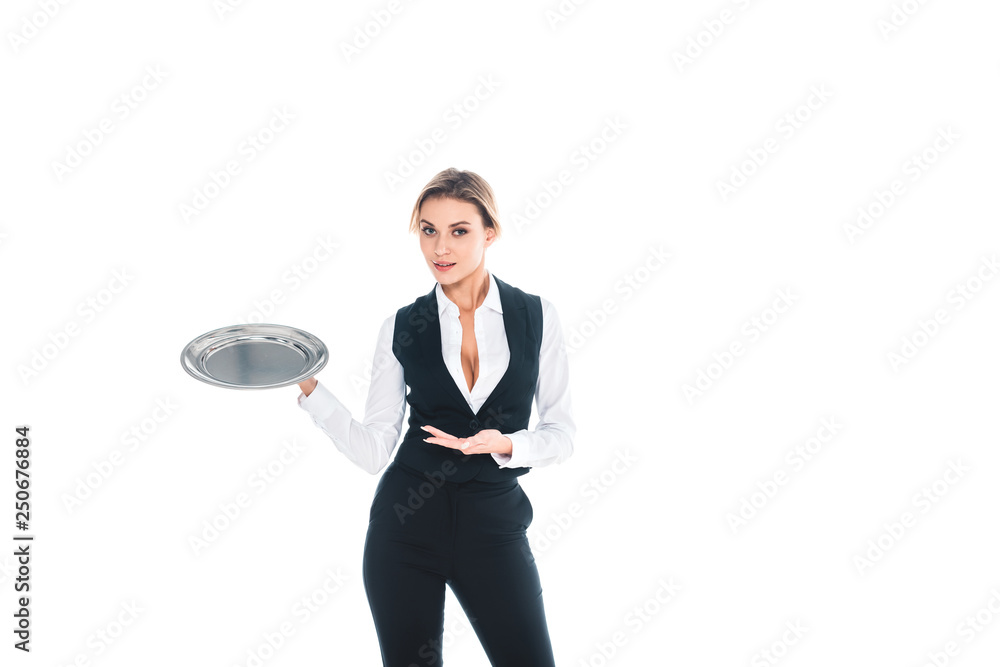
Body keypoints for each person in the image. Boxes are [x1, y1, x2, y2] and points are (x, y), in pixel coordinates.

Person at [295, 167, 576, 666]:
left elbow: (562, 433)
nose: (439, 249)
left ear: (490, 232)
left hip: (493, 530)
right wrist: (310, 388)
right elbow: (374, 449)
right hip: (405, 528)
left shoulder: (537, 317)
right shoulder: (402, 326)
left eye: (458, 231)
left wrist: (506, 444)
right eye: (428, 231)